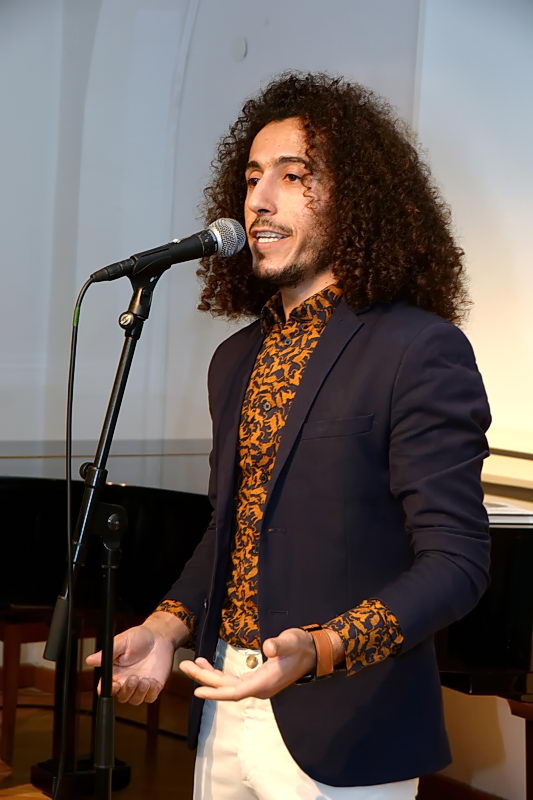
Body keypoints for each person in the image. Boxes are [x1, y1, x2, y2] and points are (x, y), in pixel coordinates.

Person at [87, 72, 491, 799]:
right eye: (251, 178)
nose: (259, 200)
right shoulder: (234, 359)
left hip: (348, 718)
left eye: (293, 175)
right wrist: (166, 626)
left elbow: (457, 562)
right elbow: (233, 526)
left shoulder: (417, 350)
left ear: (355, 198)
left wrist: (320, 648)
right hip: (224, 695)